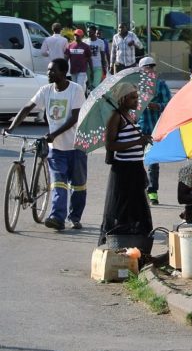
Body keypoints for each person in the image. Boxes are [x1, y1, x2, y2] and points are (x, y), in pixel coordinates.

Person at [5, 58, 86, 230]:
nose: (49, 73)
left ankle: (75, 216)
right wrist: (11, 128)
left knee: (78, 186)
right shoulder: (46, 90)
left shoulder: (76, 90)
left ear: (64, 73)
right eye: (48, 70)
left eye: (53, 71)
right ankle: (57, 217)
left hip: (76, 146)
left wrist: (54, 133)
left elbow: (75, 117)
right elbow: (27, 107)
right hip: (55, 148)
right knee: (58, 183)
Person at [99, 82, 153, 246]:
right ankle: (119, 246)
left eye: (136, 97)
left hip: (136, 168)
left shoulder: (131, 116)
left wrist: (141, 142)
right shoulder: (116, 117)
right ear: (122, 99)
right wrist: (137, 140)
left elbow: (130, 140)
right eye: (132, 98)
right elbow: (110, 145)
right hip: (123, 171)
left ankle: (138, 247)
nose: (136, 100)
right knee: (122, 211)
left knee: (137, 211)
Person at [137, 56, 172, 205]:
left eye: (152, 66)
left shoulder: (161, 84)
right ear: (141, 70)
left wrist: (157, 106)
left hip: (155, 128)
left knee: (153, 162)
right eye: (147, 67)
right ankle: (141, 188)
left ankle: (152, 191)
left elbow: (169, 104)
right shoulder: (135, 85)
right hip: (138, 129)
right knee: (137, 161)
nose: (150, 69)